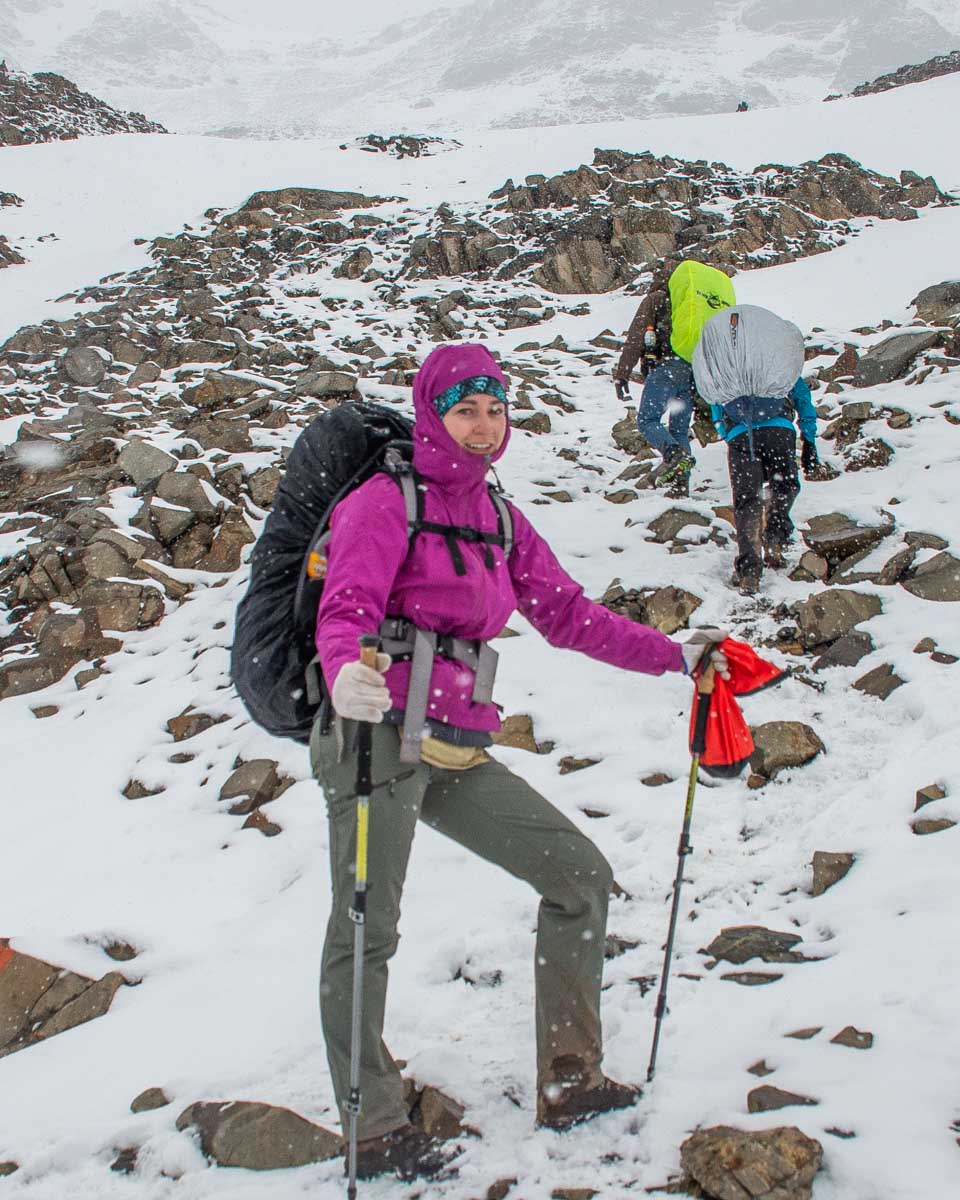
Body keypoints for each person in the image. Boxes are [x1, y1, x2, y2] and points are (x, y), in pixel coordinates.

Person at [312, 342, 729, 1182]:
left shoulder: (499, 515)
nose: (484, 425)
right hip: (375, 737)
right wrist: (344, 672)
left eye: (496, 408)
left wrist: (674, 657)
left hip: (457, 743)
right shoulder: (382, 502)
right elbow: (346, 604)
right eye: (466, 408)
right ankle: (376, 1122)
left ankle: (569, 1078)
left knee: (578, 877)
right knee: (368, 929)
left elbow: (568, 614)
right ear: (433, 413)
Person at [692, 304, 821, 595]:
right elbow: (802, 396)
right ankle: (775, 537)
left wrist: (729, 433)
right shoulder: (774, 369)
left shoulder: (729, 370)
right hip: (779, 431)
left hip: (742, 436)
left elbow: (715, 404)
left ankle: (750, 570)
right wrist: (809, 439)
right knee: (785, 486)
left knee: (747, 502)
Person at [613, 261, 735, 497]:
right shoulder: (689, 304)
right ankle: (681, 486)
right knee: (679, 430)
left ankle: (674, 455)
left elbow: (637, 335)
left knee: (648, 421)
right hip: (695, 369)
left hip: (667, 367)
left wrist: (622, 374)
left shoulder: (657, 299)